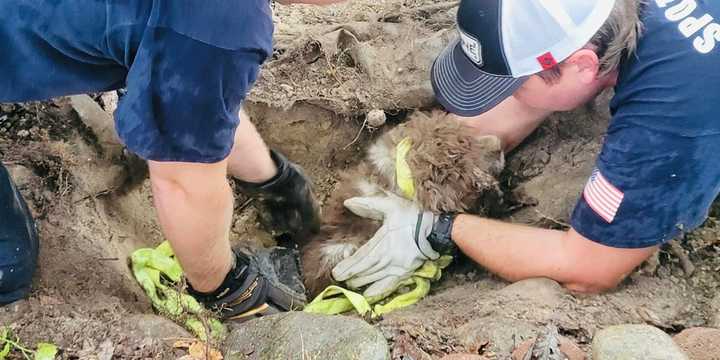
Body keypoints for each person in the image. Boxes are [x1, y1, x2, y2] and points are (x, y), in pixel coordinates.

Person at [333, 0, 720, 296]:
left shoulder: (673, 113)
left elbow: (588, 268)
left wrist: (438, 229)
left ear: (584, 66)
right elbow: (527, 98)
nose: (506, 96)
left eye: (512, 84)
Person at [0, 0, 340, 320]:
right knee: (9, 267)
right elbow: (182, 184)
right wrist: (226, 290)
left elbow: (199, 101)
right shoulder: (221, 22)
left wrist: (274, 183)